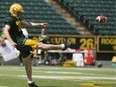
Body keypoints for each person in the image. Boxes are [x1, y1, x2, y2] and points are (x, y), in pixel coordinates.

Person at [3, 3, 71, 87]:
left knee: (28, 63)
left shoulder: (16, 19)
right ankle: (62, 46)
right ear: (15, 12)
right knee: (41, 45)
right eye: (19, 12)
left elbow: (28, 24)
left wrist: (39, 24)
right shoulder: (10, 19)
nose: (21, 13)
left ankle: (30, 81)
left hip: (20, 43)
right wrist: (10, 41)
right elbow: (5, 30)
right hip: (22, 41)